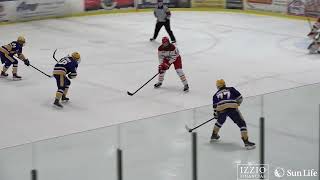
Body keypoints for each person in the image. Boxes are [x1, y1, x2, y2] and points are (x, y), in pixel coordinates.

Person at [211, 79, 255, 150]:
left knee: (220, 121)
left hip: (221, 109)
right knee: (242, 124)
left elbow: (215, 107)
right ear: (224, 84)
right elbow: (240, 98)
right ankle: (246, 142)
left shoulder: (215, 95)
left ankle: (214, 134)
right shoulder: (231, 89)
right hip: (232, 108)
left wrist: (216, 114)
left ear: (217, 86)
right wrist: (236, 104)